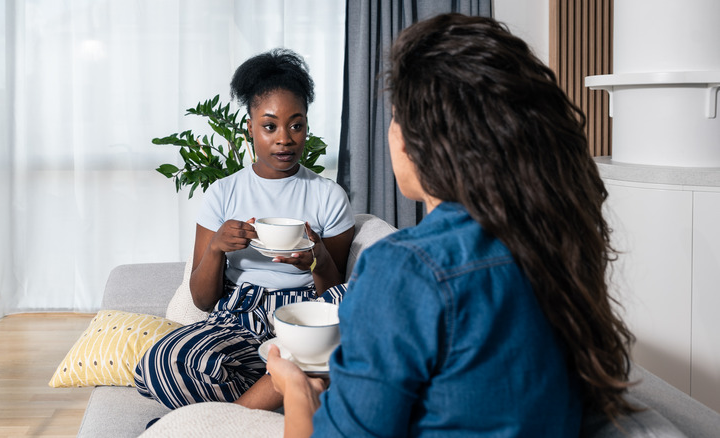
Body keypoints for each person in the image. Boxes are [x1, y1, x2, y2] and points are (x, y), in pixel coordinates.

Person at [267, 13, 636, 437]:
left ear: (419, 139)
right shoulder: (558, 242)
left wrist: (295, 390)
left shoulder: (404, 268)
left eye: (394, 116)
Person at [134, 48, 355, 411]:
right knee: (160, 364)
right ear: (250, 127)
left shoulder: (328, 195)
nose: (284, 138)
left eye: (296, 125)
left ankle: (242, 412)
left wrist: (317, 260)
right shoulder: (223, 192)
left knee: (353, 304)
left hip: (306, 317)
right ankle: (285, 387)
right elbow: (203, 300)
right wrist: (217, 248)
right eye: (270, 126)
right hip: (242, 313)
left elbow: (334, 294)